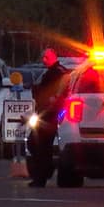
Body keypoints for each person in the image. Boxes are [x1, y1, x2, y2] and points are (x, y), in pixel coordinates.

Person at [27, 47, 72, 187]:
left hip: (52, 114)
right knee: (37, 145)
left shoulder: (59, 72)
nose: (43, 60)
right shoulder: (51, 73)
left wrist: (55, 99)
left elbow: (63, 87)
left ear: (53, 56)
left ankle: (42, 176)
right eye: (43, 57)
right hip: (44, 113)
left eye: (46, 57)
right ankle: (44, 172)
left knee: (39, 145)